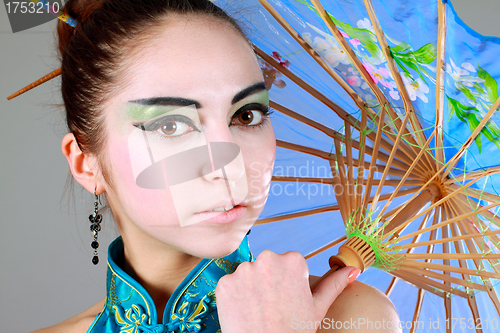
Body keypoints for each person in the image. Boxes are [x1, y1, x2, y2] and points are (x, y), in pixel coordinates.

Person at [32, 0, 401, 332]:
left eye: (246, 115)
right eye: (171, 125)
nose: (230, 165)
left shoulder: (350, 319)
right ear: (86, 164)